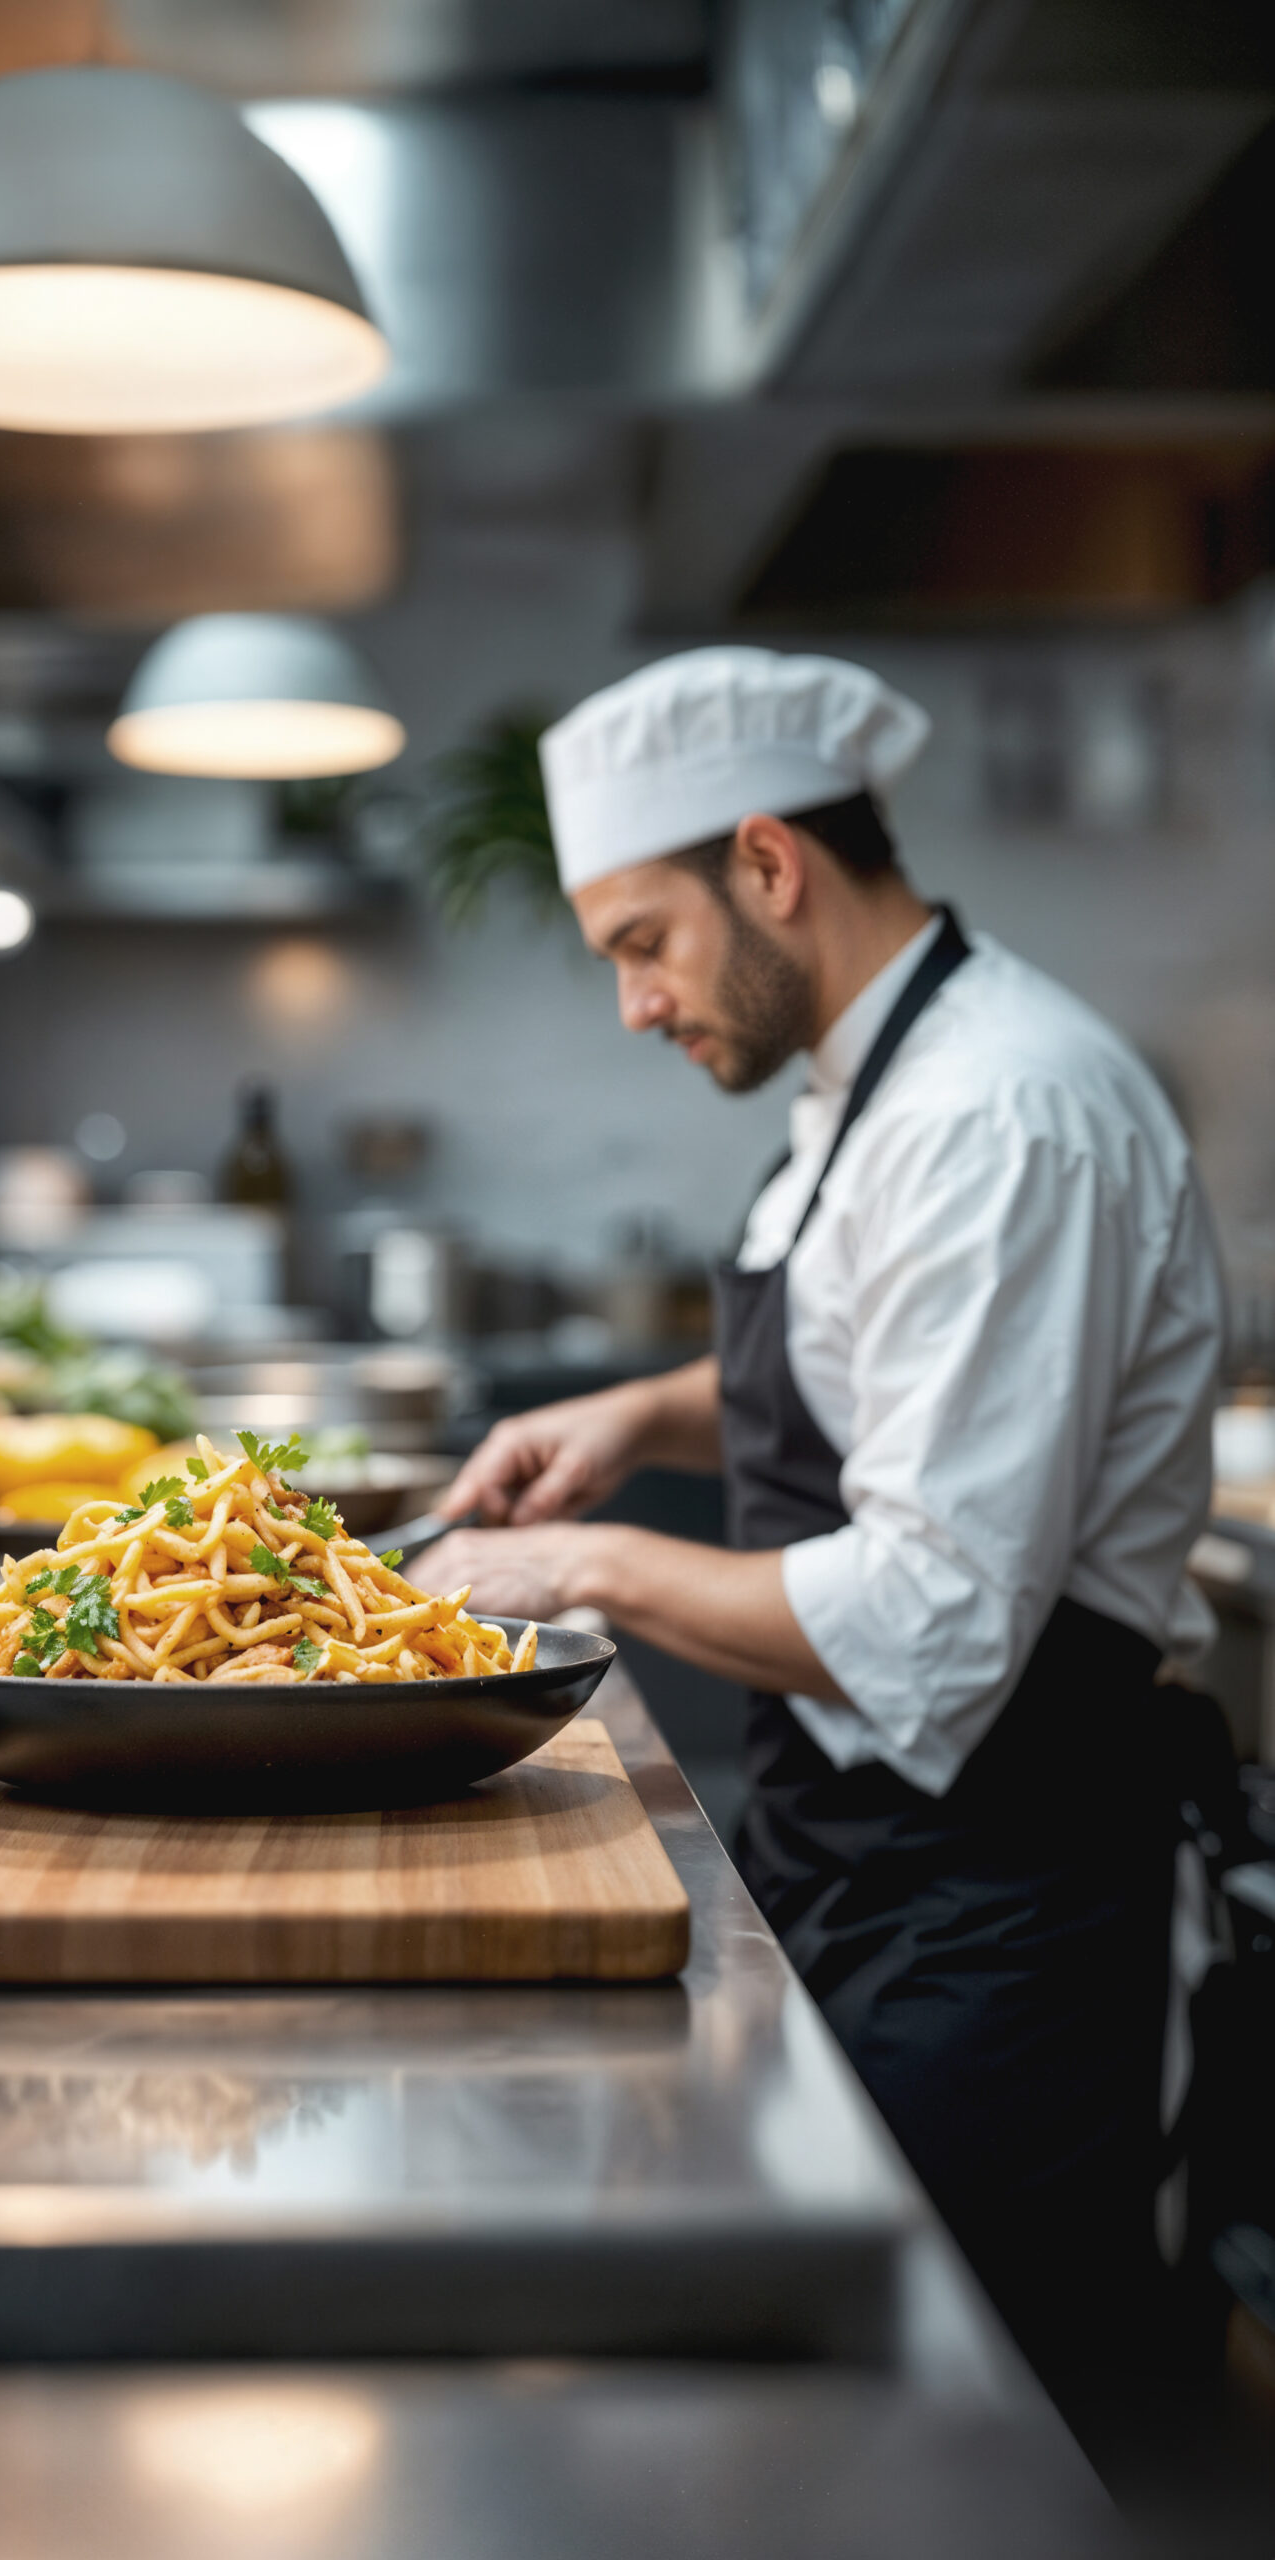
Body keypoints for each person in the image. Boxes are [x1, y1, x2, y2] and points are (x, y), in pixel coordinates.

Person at [420, 646, 1228, 2397]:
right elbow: (883, 1375)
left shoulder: (998, 1115)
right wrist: (639, 1417)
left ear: (768, 866)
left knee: (955, 2423)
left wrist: (573, 1563)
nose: (633, 1005)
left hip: (1006, 1897)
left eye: (643, 942)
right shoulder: (862, 1087)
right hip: (866, 1853)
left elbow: (934, 1612)